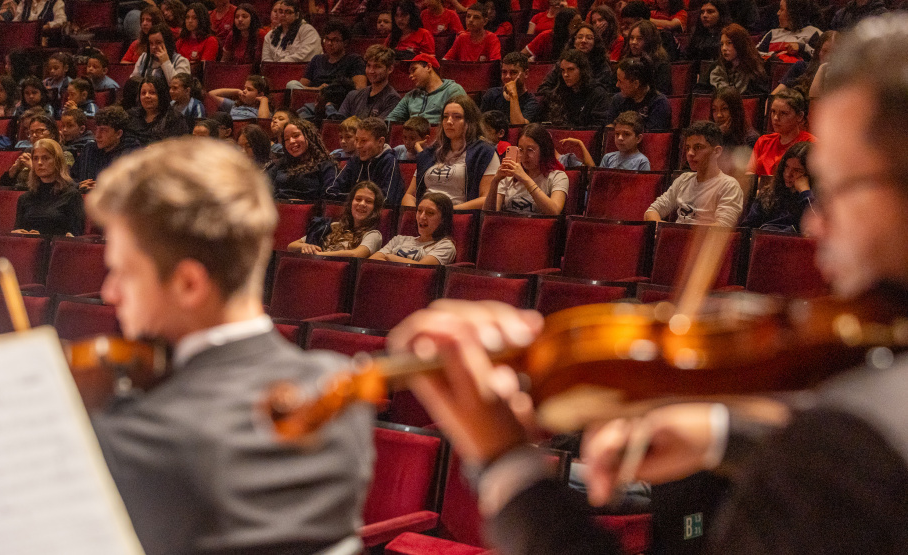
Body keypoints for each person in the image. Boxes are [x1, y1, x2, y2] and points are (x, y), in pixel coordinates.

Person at [388, 15, 908, 555]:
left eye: (837, 186)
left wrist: (507, 467)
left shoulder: (854, 457)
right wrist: (719, 432)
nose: (813, 224)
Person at [85, 137, 373, 555]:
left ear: (188, 284)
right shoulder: (338, 389)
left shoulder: (141, 438)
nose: (109, 291)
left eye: (123, 272)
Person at [402, 94, 499, 210]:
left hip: (459, 218)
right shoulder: (430, 153)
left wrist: (445, 212)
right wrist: (416, 212)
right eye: (445, 117)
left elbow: (487, 199)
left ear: (470, 121)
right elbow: (410, 195)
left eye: (457, 117)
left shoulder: (484, 153)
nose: (449, 121)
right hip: (424, 216)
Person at [645, 121, 743, 226]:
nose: (690, 153)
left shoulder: (729, 186)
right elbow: (651, 212)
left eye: (698, 147)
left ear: (717, 151)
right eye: (688, 148)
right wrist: (665, 230)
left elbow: (722, 228)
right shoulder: (683, 179)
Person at [484, 122, 568, 215]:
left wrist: (525, 179)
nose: (524, 156)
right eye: (520, 149)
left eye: (530, 150)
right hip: (508, 226)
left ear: (543, 151)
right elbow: (488, 215)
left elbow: (554, 211)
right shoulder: (509, 176)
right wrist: (495, 182)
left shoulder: (558, 176)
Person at [287, 20, 365, 114]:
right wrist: (319, 89)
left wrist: (330, 90)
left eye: (335, 40)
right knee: (291, 84)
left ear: (345, 43)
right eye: (327, 39)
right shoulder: (317, 59)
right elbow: (301, 86)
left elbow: (360, 88)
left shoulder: (354, 59)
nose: (329, 43)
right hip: (314, 100)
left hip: (337, 101)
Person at [289, 180, 385, 256]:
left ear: (375, 208)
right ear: (351, 202)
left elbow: (356, 254)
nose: (362, 204)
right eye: (358, 199)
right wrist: (306, 247)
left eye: (368, 201)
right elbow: (291, 246)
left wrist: (320, 255)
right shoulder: (333, 226)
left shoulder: (373, 235)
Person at [12, 138, 83, 236]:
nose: (39, 163)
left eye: (45, 158)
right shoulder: (24, 198)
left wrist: (41, 237)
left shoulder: (72, 195)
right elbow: (17, 231)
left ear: (57, 161)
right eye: (35, 158)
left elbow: (75, 236)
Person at [741, 141, 814, 231]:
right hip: (763, 241)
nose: (788, 174)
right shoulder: (769, 193)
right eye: (786, 167)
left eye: (797, 170)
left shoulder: (815, 199)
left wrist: (805, 192)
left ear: (810, 174)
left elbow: (815, 225)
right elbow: (747, 228)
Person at [371, 192, 456, 264]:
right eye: (419, 211)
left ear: (443, 219)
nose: (422, 217)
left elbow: (420, 270)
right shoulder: (399, 239)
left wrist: (390, 257)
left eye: (430, 213)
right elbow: (371, 261)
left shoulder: (445, 246)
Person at [747, 89, 815, 176]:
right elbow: (749, 175)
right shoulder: (763, 141)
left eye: (783, 113)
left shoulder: (810, 144)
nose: (775, 118)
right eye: (773, 111)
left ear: (800, 116)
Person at [266, 116, 336, 200]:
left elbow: (329, 198)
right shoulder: (279, 164)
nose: (291, 141)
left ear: (309, 137)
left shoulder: (325, 165)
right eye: (286, 139)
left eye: (296, 136)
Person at [537, 23, 614, 97]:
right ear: (574, 42)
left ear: (595, 43)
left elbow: (603, 93)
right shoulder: (563, 63)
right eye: (580, 37)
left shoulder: (601, 65)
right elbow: (544, 88)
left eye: (589, 38)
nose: (583, 41)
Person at [537, 50, 610, 129]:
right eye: (563, 70)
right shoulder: (561, 91)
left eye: (570, 69)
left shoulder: (597, 93)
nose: (565, 74)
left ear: (582, 70)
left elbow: (598, 127)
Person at [386, 54, 466, 125]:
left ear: (428, 67)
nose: (410, 76)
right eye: (409, 72)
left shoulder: (453, 90)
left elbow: (460, 122)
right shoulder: (411, 95)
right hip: (411, 138)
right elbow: (391, 120)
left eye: (414, 70)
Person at [72, 106, 141, 187]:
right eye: (96, 129)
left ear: (118, 134)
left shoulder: (131, 155)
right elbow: (71, 178)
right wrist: (78, 186)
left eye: (103, 130)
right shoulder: (88, 149)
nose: (97, 136)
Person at [1, 113, 73, 189]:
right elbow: (4, 184)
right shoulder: (28, 151)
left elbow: (62, 182)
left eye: (40, 131)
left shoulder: (64, 153)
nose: (34, 135)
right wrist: (14, 169)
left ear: (52, 133)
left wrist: (33, 167)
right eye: (31, 132)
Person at [332, 44, 401, 121]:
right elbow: (339, 126)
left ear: (390, 69)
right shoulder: (352, 96)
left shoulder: (393, 99)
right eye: (368, 66)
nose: (371, 71)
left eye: (377, 66)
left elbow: (377, 130)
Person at [563, 110, 651, 170]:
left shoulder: (642, 161)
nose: (620, 138)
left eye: (626, 134)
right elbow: (598, 182)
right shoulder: (608, 158)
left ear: (638, 138)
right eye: (617, 134)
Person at [607, 57, 672, 132]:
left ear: (636, 84)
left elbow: (652, 138)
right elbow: (610, 129)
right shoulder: (617, 100)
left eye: (620, 81)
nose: (617, 85)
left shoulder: (659, 104)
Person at [707, 23, 769, 95]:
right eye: (722, 44)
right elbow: (701, 93)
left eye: (729, 43)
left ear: (740, 44)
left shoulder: (754, 71)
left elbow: (760, 98)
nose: (724, 48)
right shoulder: (716, 67)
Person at [126, 75, 190, 145]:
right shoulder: (131, 115)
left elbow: (180, 146)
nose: (147, 96)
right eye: (143, 93)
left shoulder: (175, 119)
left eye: (152, 92)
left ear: (160, 95)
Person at [773, 30, 837, 99]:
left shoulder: (845, 79)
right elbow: (773, 97)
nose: (829, 57)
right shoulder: (801, 68)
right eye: (825, 51)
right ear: (818, 51)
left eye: (834, 53)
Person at [481, 52, 539, 125]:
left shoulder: (531, 103)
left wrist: (513, 95)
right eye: (504, 72)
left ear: (526, 73)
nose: (507, 76)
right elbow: (481, 126)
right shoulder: (491, 95)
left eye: (513, 72)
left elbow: (518, 128)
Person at [756, 0, 821, 63]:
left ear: (793, 13)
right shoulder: (773, 33)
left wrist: (802, 48)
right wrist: (772, 57)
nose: (778, 13)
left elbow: (822, 57)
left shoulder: (813, 32)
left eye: (782, 9)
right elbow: (755, 55)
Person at [621, 20, 672, 94]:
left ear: (650, 41)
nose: (634, 42)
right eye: (631, 38)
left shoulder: (661, 63)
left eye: (639, 39)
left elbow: (661, 91)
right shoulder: (626, 61)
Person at [42, 51, 73, 117]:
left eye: (56, 68)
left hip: (62, 111)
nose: (52, 71)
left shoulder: (70, 83)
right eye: (50, 69)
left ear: (65, 68)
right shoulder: (46, 82)